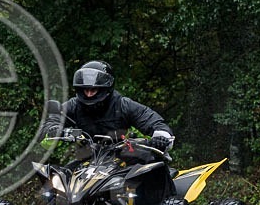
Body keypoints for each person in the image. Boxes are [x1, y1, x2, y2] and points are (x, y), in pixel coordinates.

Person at [42, 61, 174, 153]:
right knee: (58, 180)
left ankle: (168, 194)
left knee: (152, 166)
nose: (88, 94)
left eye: (93, 90)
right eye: (85, 90)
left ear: (105, 88)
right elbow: (49, 126)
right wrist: (55, 130)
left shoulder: (123, 105)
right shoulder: (73, 105)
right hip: (88, 160)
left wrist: (160, 138)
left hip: (122, 157)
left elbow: (153, 121)